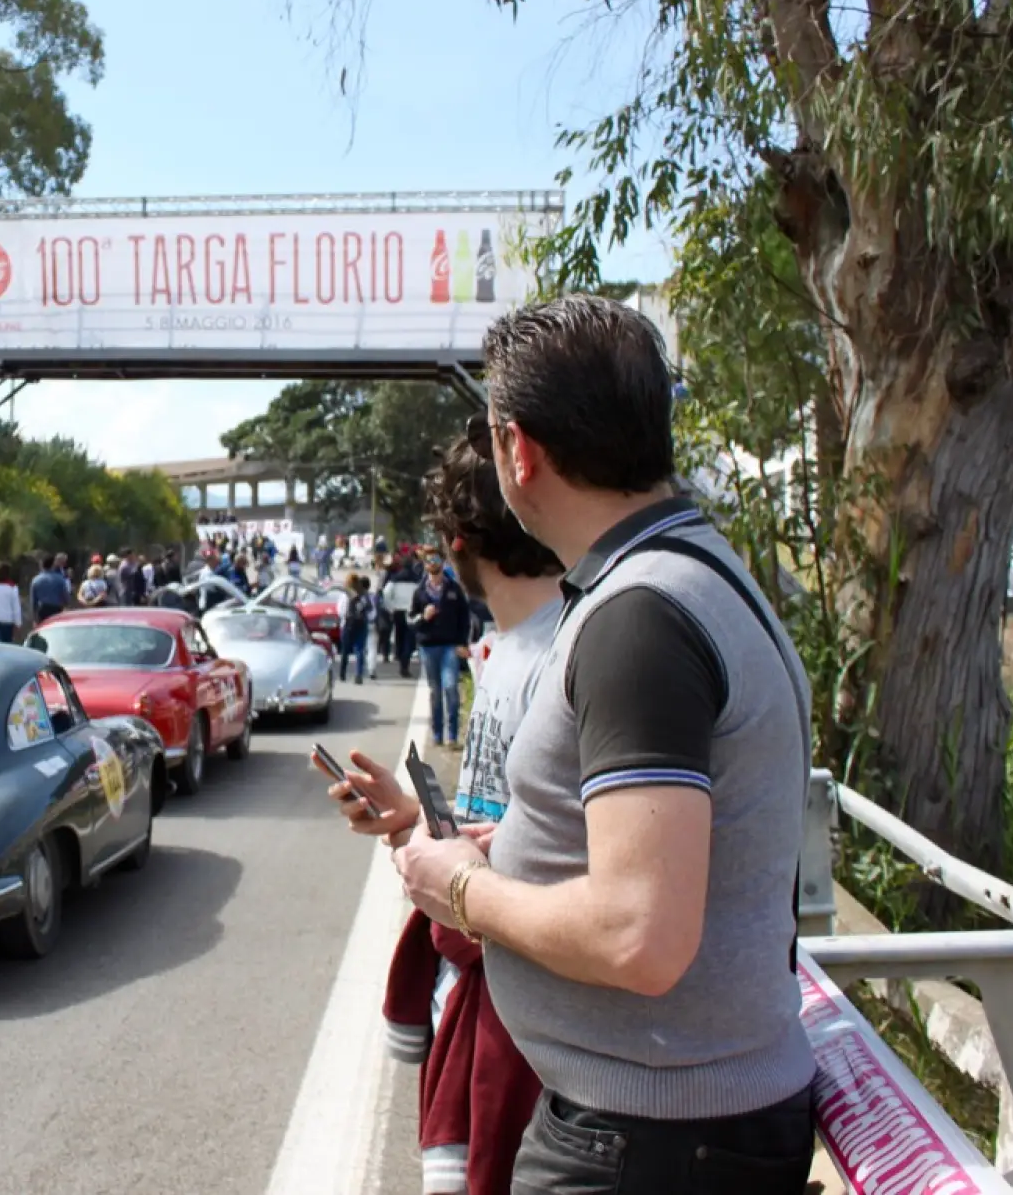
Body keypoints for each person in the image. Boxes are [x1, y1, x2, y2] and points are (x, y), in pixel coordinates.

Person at [391, 295, 817, 1194]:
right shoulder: (684, 575)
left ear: (521, 452)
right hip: (663, 1125)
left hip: (644, 1142)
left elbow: (639, 936)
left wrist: (460, 888)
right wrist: (500, 853)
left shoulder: (639, 619)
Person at [332, 415, 566, 1195]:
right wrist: (412, 816)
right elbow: (506, 824)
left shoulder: (565, 654)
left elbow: (561, 859)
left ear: (459, 539)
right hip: (483, 975)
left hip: (527, 1015)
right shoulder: (506, 650)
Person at [413, 552, 472, 749]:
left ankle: (452, 735)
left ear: (443, 563)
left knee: (450, 688)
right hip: (429, 647)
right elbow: (411, 620)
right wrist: (423, 617)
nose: (433, 563)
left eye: (436, 560)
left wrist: (463, 643)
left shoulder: (454, 589)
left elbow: (465, 618)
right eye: (429, 560)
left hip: (450, 646)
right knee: (435, 692)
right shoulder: (420, 592)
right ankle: (437, 732)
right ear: (425, 564)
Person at [339, 576, 375, 685]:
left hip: (348, 624)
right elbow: (371, 611)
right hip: (362, 625)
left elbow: (340, 609)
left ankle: (342, 673)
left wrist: (344, 618)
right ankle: (358, 674)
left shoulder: (347, 594)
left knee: (345, 651)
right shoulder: (365, 595)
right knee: (360, 650)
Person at [30, 554, 71, 624]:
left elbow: (33, 601)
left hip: (41, 610)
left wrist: (34, 618)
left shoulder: (36, 580)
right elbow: (66, 598)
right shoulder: (60, 579)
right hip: (56, 610)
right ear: (52, 565)